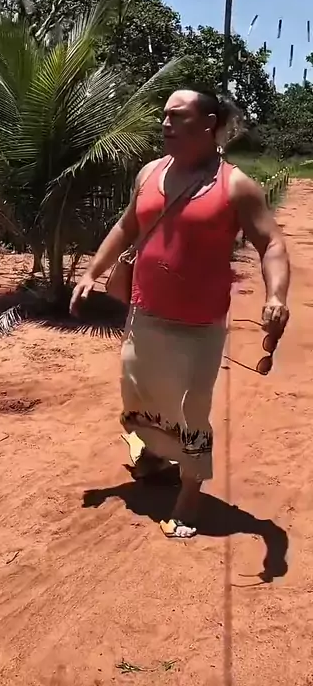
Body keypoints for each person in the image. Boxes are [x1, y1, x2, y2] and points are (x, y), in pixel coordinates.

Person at [70, 89, 290, 540]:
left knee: (191, 409)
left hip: (199, 325)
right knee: (139, 393)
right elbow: (127, 226)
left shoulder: (235, 186)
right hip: (145, 312)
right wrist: (92, 271)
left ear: (208, 123)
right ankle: (154, 457)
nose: (165, 124)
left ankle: (189, 493)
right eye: (164, 116)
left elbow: (272, 243)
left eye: (177, 116)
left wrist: (276, 296)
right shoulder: (150, 173)